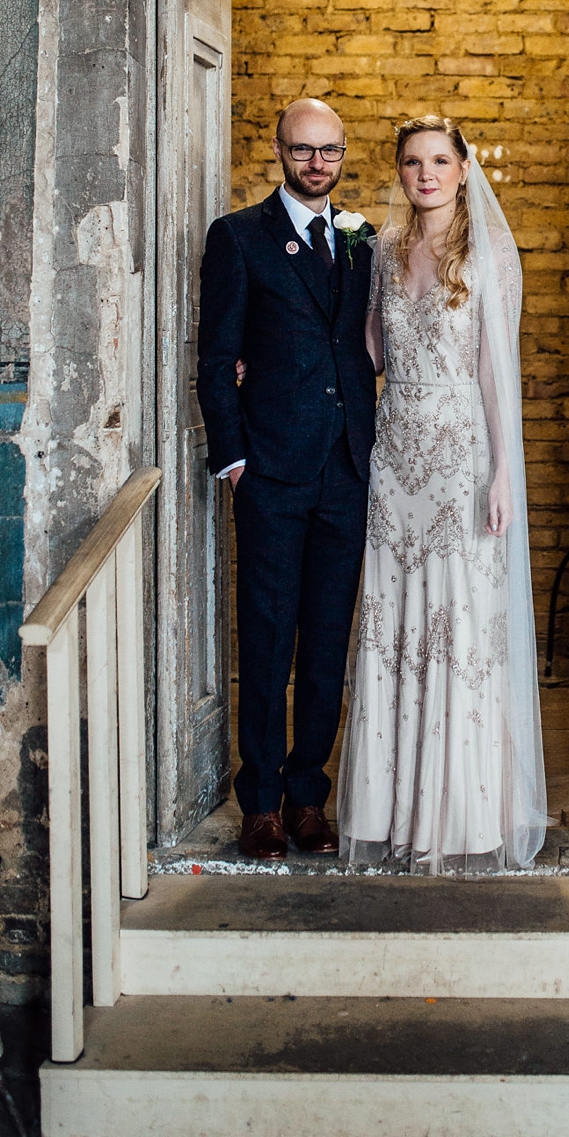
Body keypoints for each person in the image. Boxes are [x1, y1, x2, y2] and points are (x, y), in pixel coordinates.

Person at [337, 115, 547, 872]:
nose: (424, 173)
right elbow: (370, 353)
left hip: (461, 454)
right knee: (394, 626)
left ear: (463, 169)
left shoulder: (489, 250)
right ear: (399, 171)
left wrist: (503, 472)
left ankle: (457, 817)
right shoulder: (385, 252)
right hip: (396, 458)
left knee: (455, 626)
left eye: (438, 160)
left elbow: (496, 370)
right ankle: (392, 812)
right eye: (411, 161)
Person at [196, 98, 377, 860]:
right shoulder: (239, 238)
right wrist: (234, 460)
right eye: (303, 150)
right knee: (268, 639)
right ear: (279, 151)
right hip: (270, 471)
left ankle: (310, 797)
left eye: (329, 151)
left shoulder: (364, 241)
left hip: (347, 470)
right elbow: (215, 357)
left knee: (328, 642)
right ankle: (261, 803)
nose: (317, 163)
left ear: (342, 154)